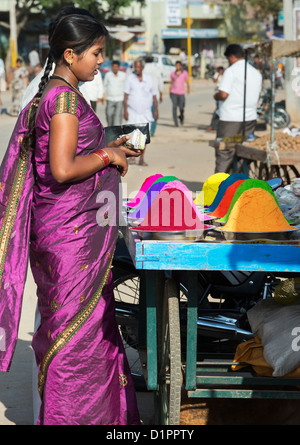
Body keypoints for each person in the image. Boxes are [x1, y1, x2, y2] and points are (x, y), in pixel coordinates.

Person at [0, 7, 142, 425]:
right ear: (69, 54)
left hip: (69, 233)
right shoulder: (62, 98)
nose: (101, 61)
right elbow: (62, 169)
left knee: (84, 333)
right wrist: (107, 154)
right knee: (77, 338)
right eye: (96, 53)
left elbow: (65, 156)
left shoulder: (58, 93)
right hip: (69, 238)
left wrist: (108, 146)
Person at [214, 44, 262, 173]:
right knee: (243, 153)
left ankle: (220, 186)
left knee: (225, 152)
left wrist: (216, 95)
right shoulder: (255, 73)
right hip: (250, 119)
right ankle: (239, 185)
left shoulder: (231, 71)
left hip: (230, 119)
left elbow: (223, 94)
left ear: (232, 57)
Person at [124, 58, 158, 166]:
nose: (136, 69)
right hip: (132, 111)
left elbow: (154, 95)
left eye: (138, 67)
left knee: (144, 137)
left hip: (146, 113)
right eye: (135, 67)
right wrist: (125, 110)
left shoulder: (149, 79)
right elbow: (125, 95)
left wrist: (156, 110)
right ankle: (132, 157)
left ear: (142, 67)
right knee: (132, 136)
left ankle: (141, 158)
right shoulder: (130, 78)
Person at [143, 55, 163, 136]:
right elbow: (160, 82)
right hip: (155, 96)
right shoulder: (156, 69)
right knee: (154, 113)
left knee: (144, 114)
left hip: (144, 96)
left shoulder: (143, 69)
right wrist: (161, 93)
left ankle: (145, 130)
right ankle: (152, 131)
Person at [103, 60, 126, 126]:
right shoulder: (108, 75)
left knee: (117, 118)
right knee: (109, 115)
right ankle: (110, 127)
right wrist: (102, 96)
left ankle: (116, 131)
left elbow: (126, 87)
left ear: (119, 67)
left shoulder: (123, 75)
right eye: (113, 67)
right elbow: (105, 86)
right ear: (111, 67)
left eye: (116, 67)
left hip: (120, 99)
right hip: (110, 98)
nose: (115, 68)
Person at [169, 60, 189, 127]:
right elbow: (171, 82)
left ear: (181, 66)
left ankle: (181, 117)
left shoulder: (184, 73)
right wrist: (170, 91)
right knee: (174, 107)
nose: (177, 67)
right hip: (174, 92)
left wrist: (188, 89)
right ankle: (175, 122)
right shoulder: (173, 74)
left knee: (181, 107)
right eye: (176, 65)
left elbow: (187, 82)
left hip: (181, 93)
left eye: (179, 65)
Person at [207, 66, 224, 131]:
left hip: (223, 92)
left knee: (218, 109)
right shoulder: (217, 75)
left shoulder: (225, 75)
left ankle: (214, 125)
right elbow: (214, 81)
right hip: (218, 92)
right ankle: (213, 125)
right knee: (218, 108)